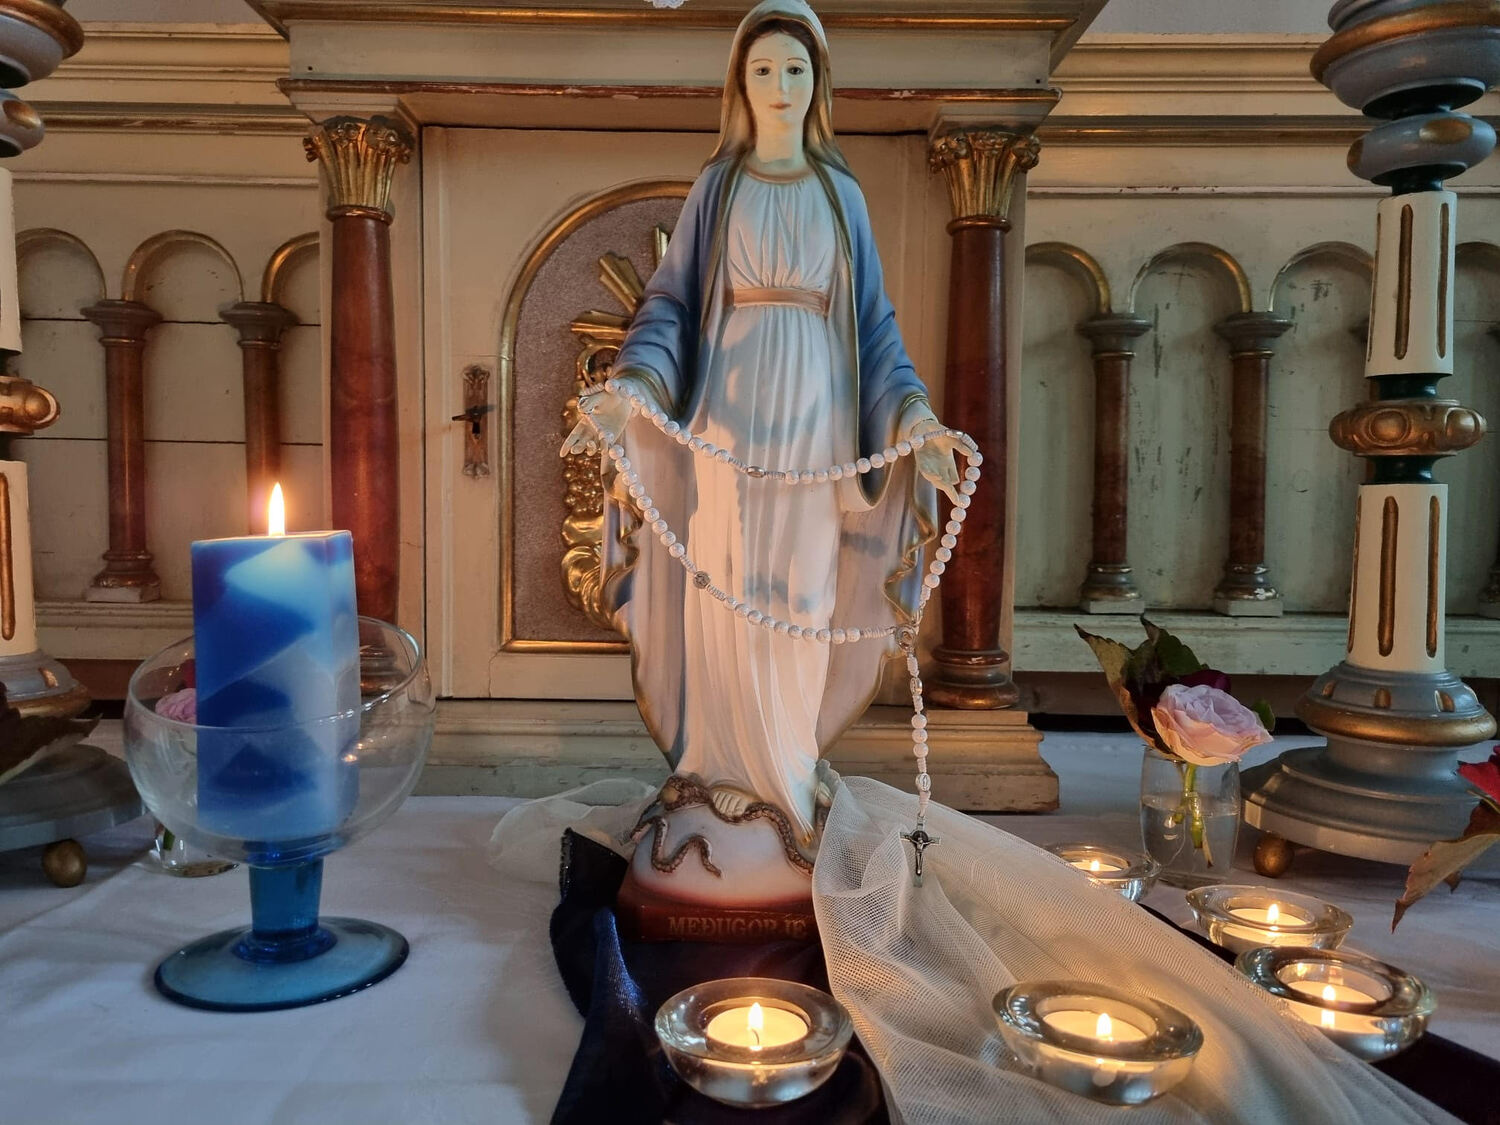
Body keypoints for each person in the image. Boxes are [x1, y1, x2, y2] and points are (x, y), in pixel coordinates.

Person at [561, 0, 964, 909]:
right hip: (728, 419)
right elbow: (669, 306)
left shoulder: (839, 195)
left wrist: (915, 422)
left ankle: (784, 780)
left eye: (795, 69)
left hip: (817, 419)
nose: (780, 86)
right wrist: (633, 390)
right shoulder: (720, 186)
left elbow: (875, 329)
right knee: (728, 587)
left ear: (819, 83)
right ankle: (716, 773)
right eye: (763, 70)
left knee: (799, 592)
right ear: (739, 86)